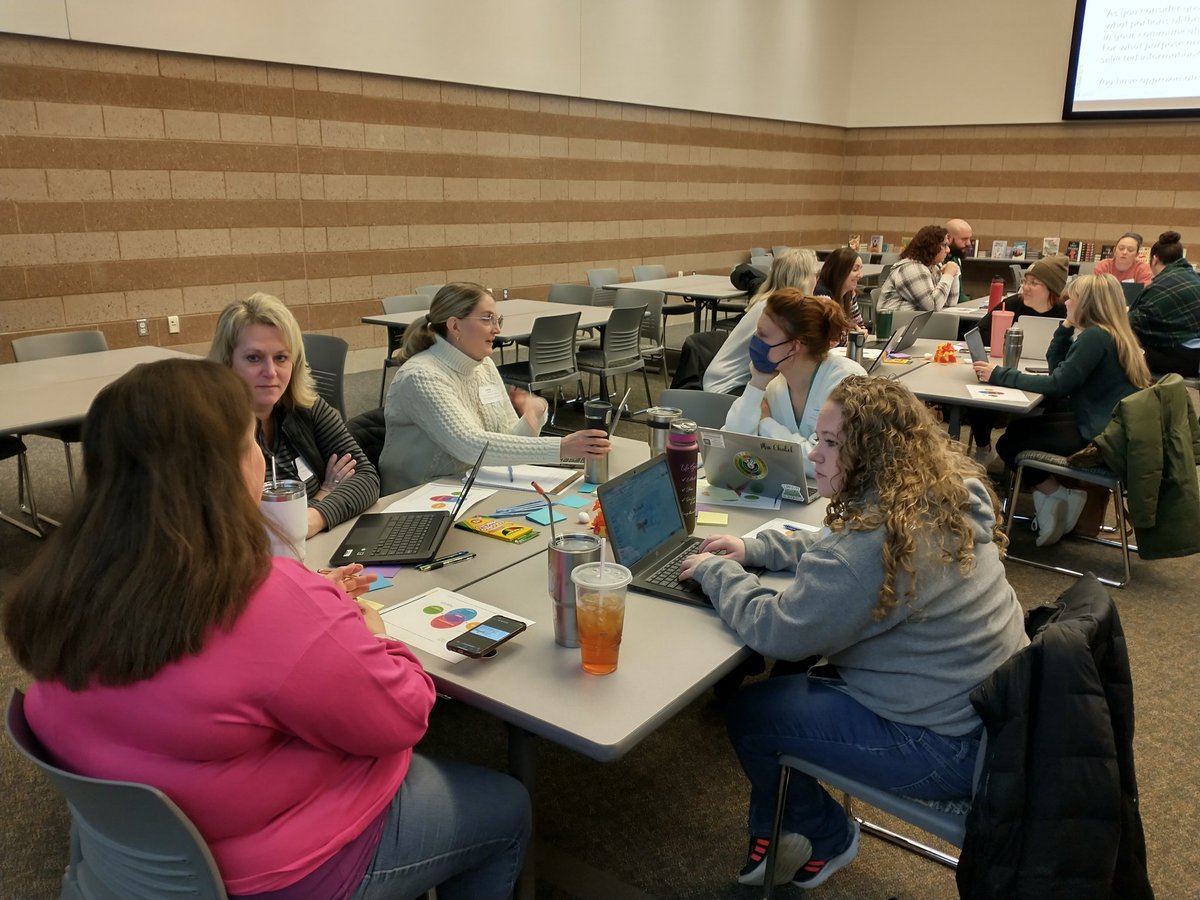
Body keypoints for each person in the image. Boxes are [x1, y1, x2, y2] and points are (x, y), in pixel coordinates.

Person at [2, 359, 530, 900]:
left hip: (132, 860)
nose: (260, 453)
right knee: (507, 807)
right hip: (279, 872)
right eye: (250, 442)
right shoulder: (266, 600)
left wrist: (308, 611)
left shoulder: (59, 587)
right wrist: (365, 628)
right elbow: (404, 715)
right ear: (224, 468)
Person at [678, 376, 1027, 890]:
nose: (814, 455)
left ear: (874, 453)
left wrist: (716, 572)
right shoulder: (937, 493)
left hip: (945, 748)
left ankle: (826, 833)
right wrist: (757, 550)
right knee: (794, 687)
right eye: (817, 439)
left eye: (832, 443)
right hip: (994, 715)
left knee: (752, 713)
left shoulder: (866, 548)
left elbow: (775, 630)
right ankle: (774, 826)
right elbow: (841, 547)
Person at [379, 282, 610, 493]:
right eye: (487, 319)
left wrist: (531, 419)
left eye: (497, 320)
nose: (496, 329)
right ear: (455, 326)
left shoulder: (483, 365)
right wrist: (562, 447)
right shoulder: (420, 376)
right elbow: (471, 445)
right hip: (415, 495)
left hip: (472, 486)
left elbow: (504, 441)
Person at [974, 273, 1151, 546]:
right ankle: (1057, 499)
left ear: (1088, 303)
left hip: (1099, 437)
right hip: (1109, 427)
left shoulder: (1095, 338)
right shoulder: (1114, 333)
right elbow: (1060, 370)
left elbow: (1056, 384)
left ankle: (1057, 495)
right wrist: (1066, 327)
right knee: (1019, 428)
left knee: (1010, 443)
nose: (1066, 302)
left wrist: (999, 374)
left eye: (1073, 298)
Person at [209, 292, 378, 537]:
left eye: (281, 358)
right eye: (254, 358)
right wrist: (323, 493)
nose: (270, 372)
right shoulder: (210, 428)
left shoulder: (307, 407)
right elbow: (240, 526)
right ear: (227, 362)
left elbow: (365, 478)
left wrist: (313, 517)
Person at [722, 289, 864, 473]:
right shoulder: (772, 382)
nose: (755, 341)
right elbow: (731, 443)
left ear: (793, 347)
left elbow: (822, 462)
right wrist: (756, 384)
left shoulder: (845, 382)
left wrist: (765, 424)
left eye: (763, 335)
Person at [967, 255, 1070, 460]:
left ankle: (1027, 463)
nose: (1026, 287)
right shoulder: (1013, 303)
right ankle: (983, 447)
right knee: (977, 395)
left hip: (1043, 378)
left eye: (1034, 283)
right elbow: (980, 331)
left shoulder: (1066, 313)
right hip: (1007, 369)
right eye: (1025, 282)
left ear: (1052, 288)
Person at [703, 249, 821, 395]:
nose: (817, 281)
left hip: (726, 379)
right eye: (815, 275)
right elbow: (793, 356)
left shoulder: (769, 303)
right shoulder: (775, 311)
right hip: (729, 386)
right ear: (804, 279)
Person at [1127, 230, 1200, 376]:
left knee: (1121, 347)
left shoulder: (1160, 287)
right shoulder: (1194, 278)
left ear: (1154, 259)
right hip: (1194, 354)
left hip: (1183, 359)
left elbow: (1134, 323)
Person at [877, 225, 961, 312]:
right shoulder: (911, 269)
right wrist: (948, 275)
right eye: (944, 245)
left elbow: (950, 302)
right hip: (894, 323)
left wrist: (953, 275)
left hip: (913, 322)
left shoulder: (934, 267)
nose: (948, 250)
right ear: (931, 246)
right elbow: (933, 306)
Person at [813, 247, 866, 332]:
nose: (861, 275)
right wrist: (854, 331)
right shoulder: (821, 294)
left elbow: (860, 325)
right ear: (839, 271)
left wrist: (858, 331)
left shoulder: (849, 293)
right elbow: (831, 335)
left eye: (860, 269)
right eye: (855, 269)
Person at [945, 218, 974, 303]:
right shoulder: (936, 261)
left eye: (969, 239)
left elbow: (960, 295)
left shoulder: (956, 259)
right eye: (964, 239)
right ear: (948, 238)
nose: (969, 243)